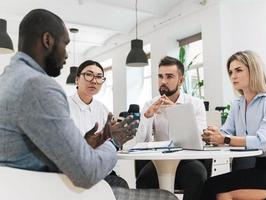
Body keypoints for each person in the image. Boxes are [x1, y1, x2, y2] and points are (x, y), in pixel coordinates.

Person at [0, 9, 178, 200]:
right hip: (50, 191)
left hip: (20, 188)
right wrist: (114, 141)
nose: (66, 55)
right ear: (47, 40)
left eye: (99, 77)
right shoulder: (39, 86)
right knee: (168, 197)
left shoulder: (8, 78)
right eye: (65, 44)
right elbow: (86, 173)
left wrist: (84, 144)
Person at [201, 50, 266, 200]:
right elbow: (226, 133)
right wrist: (214, 135)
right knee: (211, 185)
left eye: (238, 70)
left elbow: (264, 142)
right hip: (261, 168)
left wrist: (225, 138)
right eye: (230, 72)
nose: (233, 76)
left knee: (215, 188)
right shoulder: (237, 104)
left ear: (254, 70)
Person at [135, 56, 208, 200]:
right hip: (159, 160)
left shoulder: (196, 104)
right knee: (144, 179)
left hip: (186, 159)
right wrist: (148, 117)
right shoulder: (150, 104)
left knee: (197, 175)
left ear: (180, 80)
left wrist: (177, 113)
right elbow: (140, 141)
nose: (163, 81)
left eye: (169, 77)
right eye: (160, 76)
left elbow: (200, 138)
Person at [68, 60, 128, 188]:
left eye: (99, 77)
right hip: (74, 172)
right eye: (89, 75)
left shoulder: (102, 109)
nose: (94, 81)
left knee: (120, 184)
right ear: (77, 79)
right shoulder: (64, 106)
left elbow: (109, 144)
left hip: (101, 169)